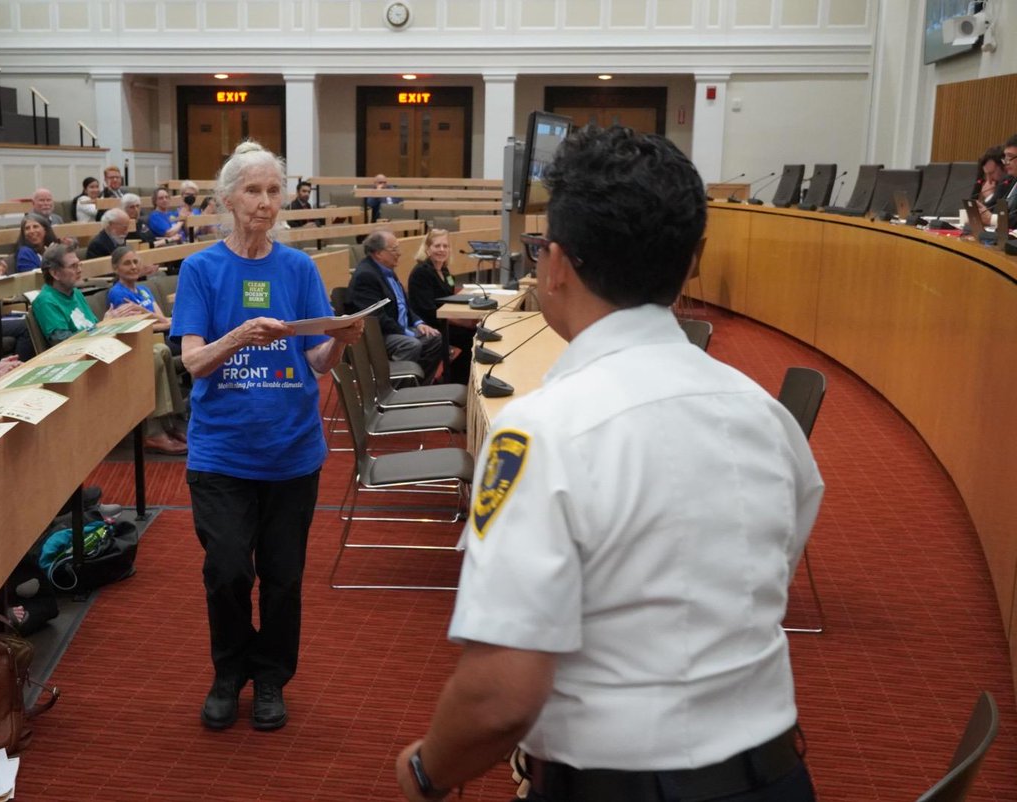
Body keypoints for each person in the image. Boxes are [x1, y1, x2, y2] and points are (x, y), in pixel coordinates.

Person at [393, 125, 824, 802]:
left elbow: (501, 695)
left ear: (554, 263)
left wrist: (427, 772)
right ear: (693, 260)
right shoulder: (767, 417)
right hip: (777, 778)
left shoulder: (539, 432)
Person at [171, 140, 363, 733]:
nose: (264, 202)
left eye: (273, 190)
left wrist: (342, 339)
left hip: (292, 450)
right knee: (228, 571)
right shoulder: (202, 269)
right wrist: (239, 337)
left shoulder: (298, 268)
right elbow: (193, 363)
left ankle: (273, 677)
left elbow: (316, 362)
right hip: (223, 452)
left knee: (282, 578)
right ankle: (229, 674)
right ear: (228, 198)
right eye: (252, 191)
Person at [31, 242, 187, 454]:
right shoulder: (46, 301)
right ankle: (152, 432)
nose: (79, 269)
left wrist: (107, 324)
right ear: (55, 273)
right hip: (81, 365)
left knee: (162, 349)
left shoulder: (75, 294)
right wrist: (105, 325)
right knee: (152, 357)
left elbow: (96, 327)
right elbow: (63, 344)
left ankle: (170, 421)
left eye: (79, 264)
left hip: (100, 351)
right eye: (73, 266)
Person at [348, 229, 442, 380]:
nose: (399, 253)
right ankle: (392, 389)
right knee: (411, 345)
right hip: (378, 334)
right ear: (378, 253)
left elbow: (403, 304)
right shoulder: (366, 275)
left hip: (396, 329)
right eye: (394, 249)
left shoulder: (386, 270)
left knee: (435, 338)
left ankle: (419, 386)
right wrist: (406, 332)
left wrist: (418, 323)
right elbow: (376, 318)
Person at [407, 228, 471, 384]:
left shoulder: (444, 270)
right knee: (473, 338)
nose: (442, 250)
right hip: (430, 324)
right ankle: (454, 381)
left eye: (445, 246)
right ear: (428, 249)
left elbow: (449, 298)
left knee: (477, 333)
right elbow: (429, 311)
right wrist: (462, 322)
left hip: (443, 320)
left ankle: (455, 378)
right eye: (437, 246)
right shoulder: (422, 272)